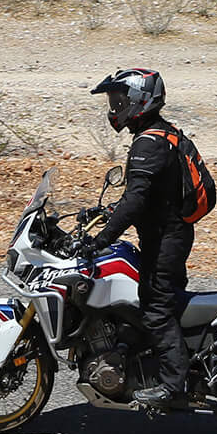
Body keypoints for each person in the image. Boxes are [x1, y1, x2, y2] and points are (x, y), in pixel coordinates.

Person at [86, 68, 195, 412]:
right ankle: (161, 365)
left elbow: (137, 200)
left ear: (139, 102)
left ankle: (173, 386)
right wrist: (101, 212)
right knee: (161, 302)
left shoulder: (149, 142)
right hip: (167, 234)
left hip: (166, 239)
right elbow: (144, 195)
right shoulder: (161, 134)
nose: (114, 108)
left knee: (156, 308)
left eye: (119, 100)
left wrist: (102, 238)